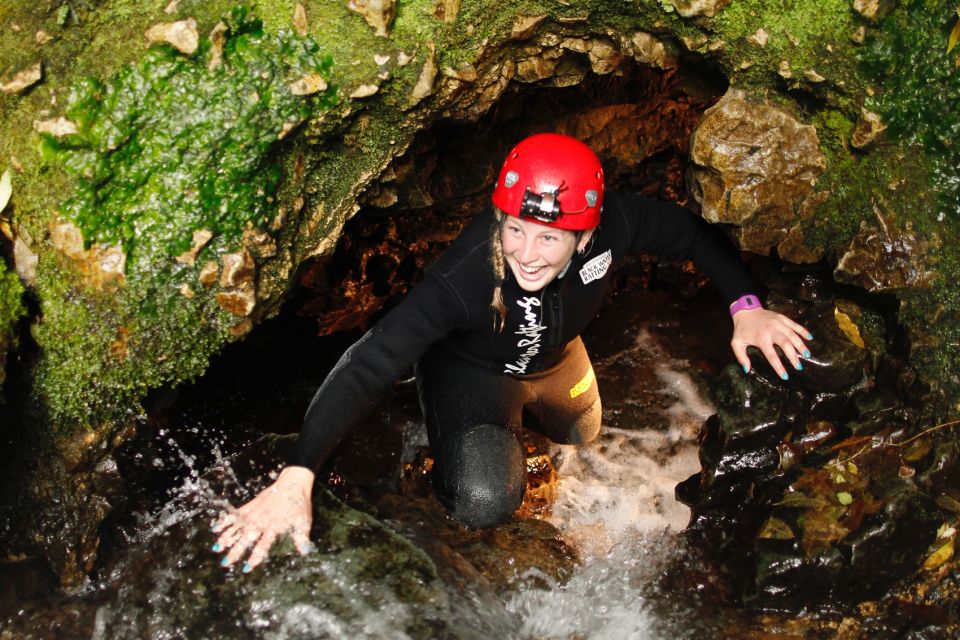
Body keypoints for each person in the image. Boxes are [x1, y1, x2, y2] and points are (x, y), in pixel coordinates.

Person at [212, 133, 812, 573]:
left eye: (549, 237)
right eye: (514, 229)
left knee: (583, 435)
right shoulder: (466, 278)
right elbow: (369, 360)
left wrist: (745, 306)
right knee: (485, 501)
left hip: (554, 360)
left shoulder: (617, 225)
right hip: (472, 371)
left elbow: (692, 236)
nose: (526, 253)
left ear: (583, 235)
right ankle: (443, 442)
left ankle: (517, 431)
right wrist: (298, 474)